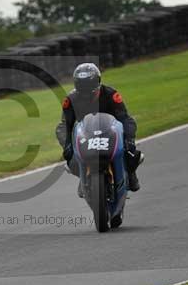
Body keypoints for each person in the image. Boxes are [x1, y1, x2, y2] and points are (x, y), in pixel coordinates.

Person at [56, 62, 143, 194]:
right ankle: (83, 177)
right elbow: (64, 126)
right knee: (71, 161)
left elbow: (125, 119)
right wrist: (67, 146)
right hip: (86, 135)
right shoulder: (70, 100)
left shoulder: (111, 94)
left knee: (132, 154)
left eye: (89, 85)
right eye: (82, 85)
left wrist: (129, 139)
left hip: (110, 132)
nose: (86, 91)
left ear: (98, 82)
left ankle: (130, 174)